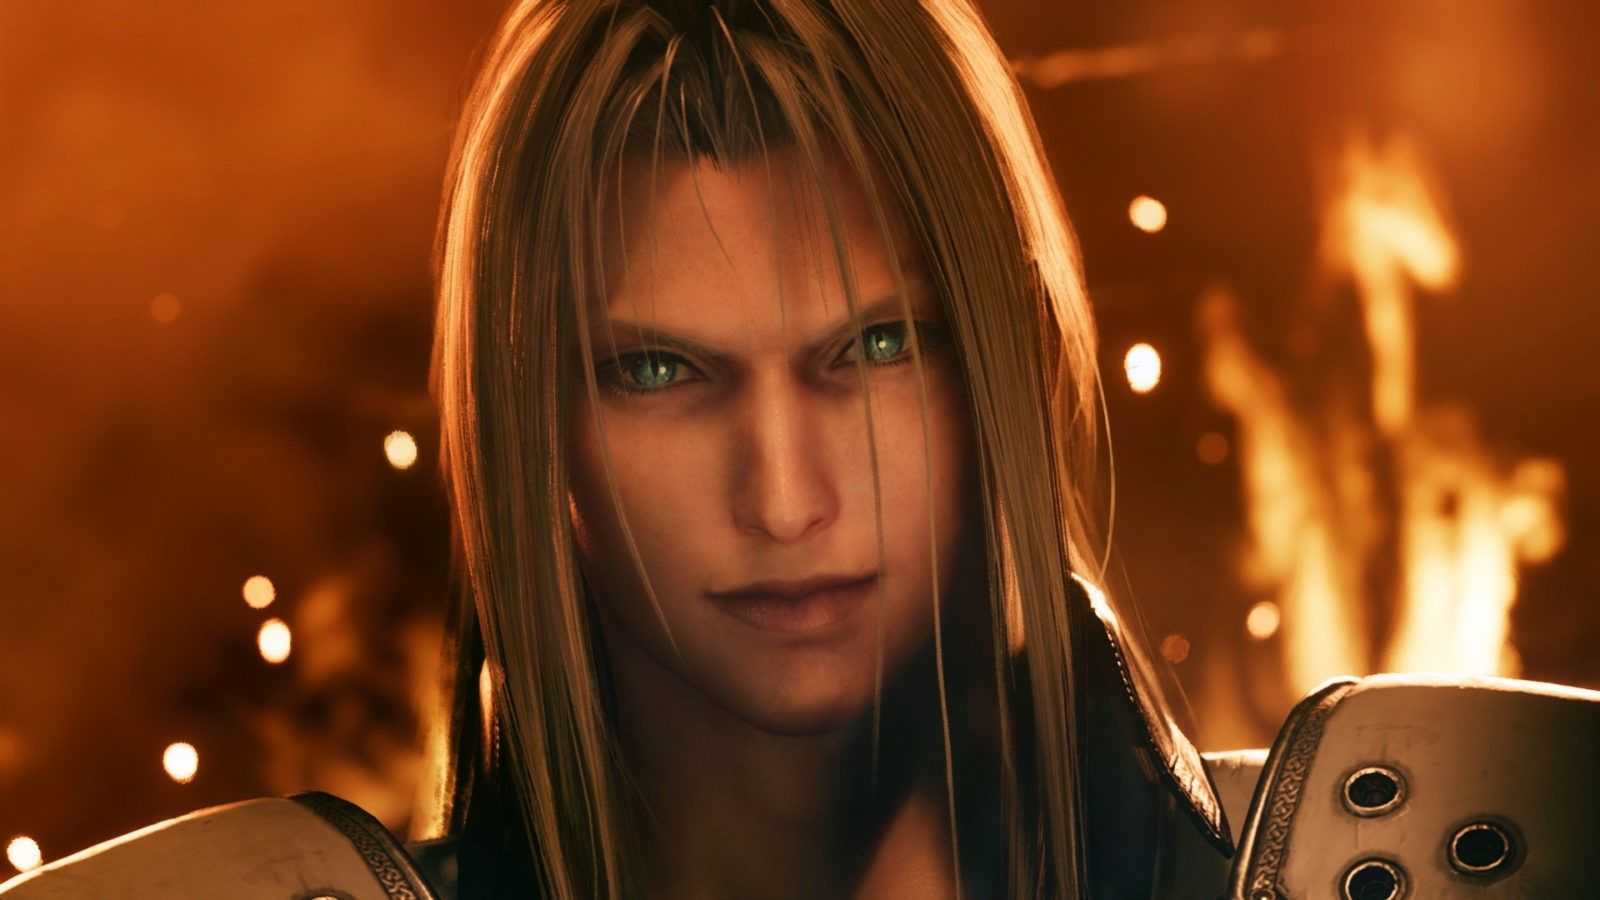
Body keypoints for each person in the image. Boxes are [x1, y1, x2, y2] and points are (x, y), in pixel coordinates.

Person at [6, 2, 1597, 899]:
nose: (788, 496)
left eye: (875, 348)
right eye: (659, 371)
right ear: (535, 426)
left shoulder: (1449, 854)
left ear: (1000, 362)